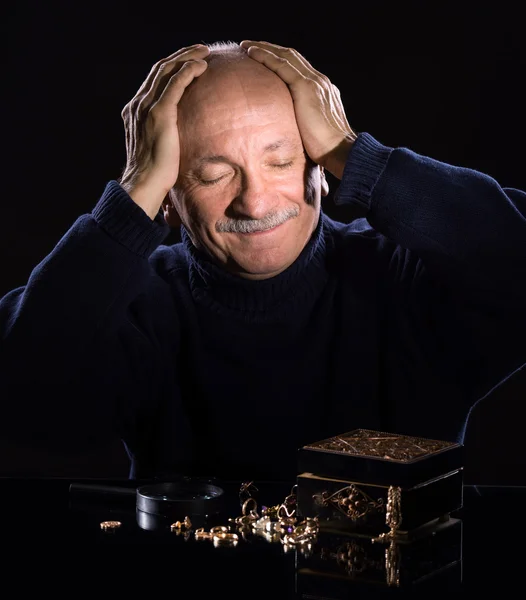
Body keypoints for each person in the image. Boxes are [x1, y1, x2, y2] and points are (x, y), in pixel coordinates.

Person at [1, 40, 525, 482]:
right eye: (212, 175)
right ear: (170, 197)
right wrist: (130, 199)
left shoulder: (407, 277)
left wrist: (356, 153)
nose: (255, 202)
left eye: (280, 161)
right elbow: (24, 399)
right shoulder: (138, 308)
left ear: (320, 167)